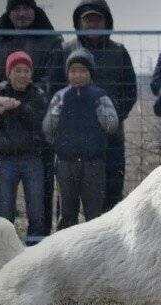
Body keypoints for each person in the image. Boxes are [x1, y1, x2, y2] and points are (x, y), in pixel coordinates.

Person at [0, 0, 63, 236]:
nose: (22, 14)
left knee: (38, 200)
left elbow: (52, 81)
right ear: (8, 13)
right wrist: (0, 100)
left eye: (26, 8)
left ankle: (39, 243)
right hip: (2, 140)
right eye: (16, 9)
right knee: (0, 200)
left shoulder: (50, 40)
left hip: (36, 137)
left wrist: (23, 101)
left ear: (35, 10)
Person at [59, 0, 137, 211]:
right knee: (69, 199)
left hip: (110, 136)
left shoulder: (118, 52)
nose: (92, 24)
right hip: (72, 138)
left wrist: (112, 117)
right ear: (78, 23)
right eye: (87, 20)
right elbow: (55, 88)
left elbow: (130, 91)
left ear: (107, 23)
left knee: (111, 195)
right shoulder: (66, 50)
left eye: (97, 19)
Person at [43, 49, 117, 229]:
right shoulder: (60, 96)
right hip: (65, 163)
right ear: (67, 73)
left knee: (94, 212)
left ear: (90, 74)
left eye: (83, 71)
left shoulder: (99, 96)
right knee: (67, 212)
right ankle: (66, 250)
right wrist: (61, 143)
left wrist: (100, 111)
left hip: (93, 163)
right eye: (73, 71)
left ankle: (95, 249)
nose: (78, 75)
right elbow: (48, 128)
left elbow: (112, 125)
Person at [0, 51, 47, 240]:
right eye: (18, 70)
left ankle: (35, 247)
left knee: (36, 209)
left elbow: (38, 120)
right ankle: (6, 246)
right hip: (6, 159)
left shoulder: (38, 94)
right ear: (9, 73)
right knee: (5, 210)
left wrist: (17, 106)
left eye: (26, 71)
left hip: (32, 158)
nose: (23, 75)